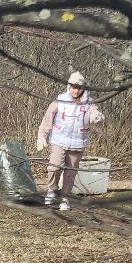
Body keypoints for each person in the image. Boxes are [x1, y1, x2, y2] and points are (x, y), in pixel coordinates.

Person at [35, 70, 104, 211]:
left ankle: (65, 197)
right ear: (69, 87)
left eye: (79, 87)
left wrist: (97, 117)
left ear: (83, 88)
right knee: (54, 167)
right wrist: (42, 136)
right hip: (59, 140)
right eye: (73, 87)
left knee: (70, 172)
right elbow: (48, 118)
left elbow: (95, 114)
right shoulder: (60, 101)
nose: (76, 90)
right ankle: (51, 190)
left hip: (78, 143)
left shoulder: (88, 103)